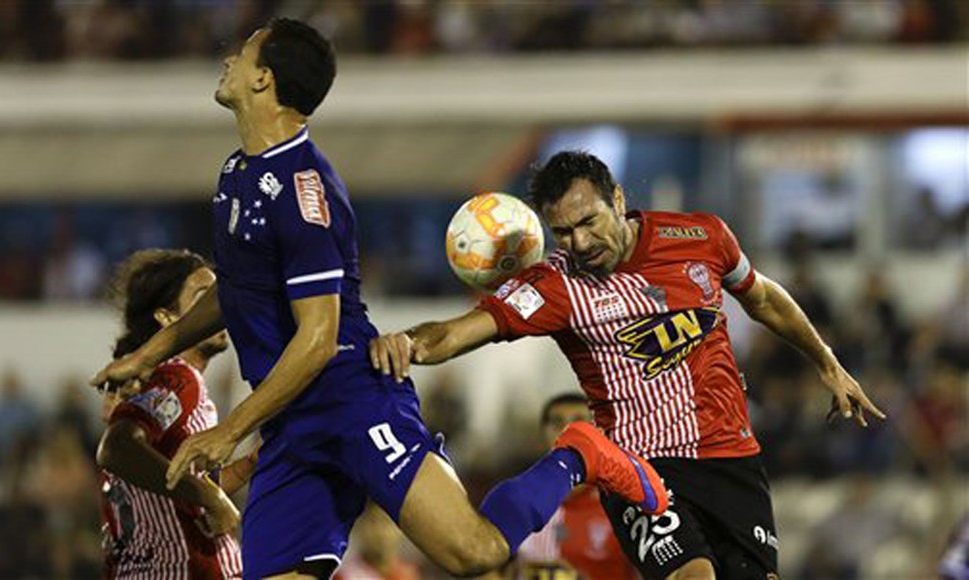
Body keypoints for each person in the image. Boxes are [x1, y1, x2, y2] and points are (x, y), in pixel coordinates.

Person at [91, 20, 667, 580]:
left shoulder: (305, 193)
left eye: (243, 53)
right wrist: (151, 353)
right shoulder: (237, 172)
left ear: (264, 80)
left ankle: (579, 453)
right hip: (290, 420)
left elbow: (317, 341)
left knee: (475, 554)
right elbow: (239, 292)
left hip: (352, 399)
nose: (228, 59)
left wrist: (229, 430)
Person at [370, 150, 887, 580]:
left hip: (732, 457)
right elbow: (460, 331)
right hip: (638, 466)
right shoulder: (554, 287)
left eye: (588, 222)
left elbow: (765, 298)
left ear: (617, 200)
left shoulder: (703, 238)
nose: (579, 243)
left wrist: (827, 361)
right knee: (695, 576)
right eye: (563, 232)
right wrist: (408, 344)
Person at [96, 249, 247, 578]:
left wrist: (254, 462)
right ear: (166, 318)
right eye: (203, 297)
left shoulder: (164, 385)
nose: (219, 308)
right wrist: (210, 496)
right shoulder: (177, 377)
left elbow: (176, 487)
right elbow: (116, 448)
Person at [509, 393, 636, 580]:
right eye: (557, 423)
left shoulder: (623, 506)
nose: (567, 431)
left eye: (579, 422)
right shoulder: (518, 502)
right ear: (543, 431)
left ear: (599, 432)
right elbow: (487, 569)